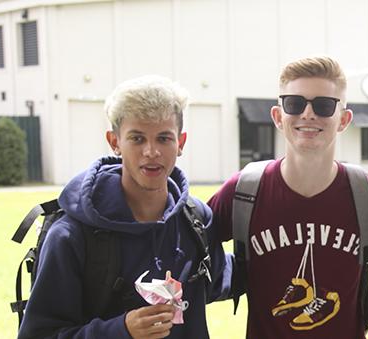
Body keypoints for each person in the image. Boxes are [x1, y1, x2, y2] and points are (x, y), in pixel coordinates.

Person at [17, 75, 233, 338]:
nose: (151, 151)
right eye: (137, 138)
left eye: (164, 138)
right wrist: (121, 330)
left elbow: (230, 277)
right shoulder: (70, 236)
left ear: (181, 143)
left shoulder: (196, 220)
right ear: (115, 142)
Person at [206, 56, 368, 338]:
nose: (308, 114)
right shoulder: (244, 191)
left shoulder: (366, 193)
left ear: (344, 119)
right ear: (278, 116)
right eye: (295, 103)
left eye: (323, 105)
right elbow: (184, 246)